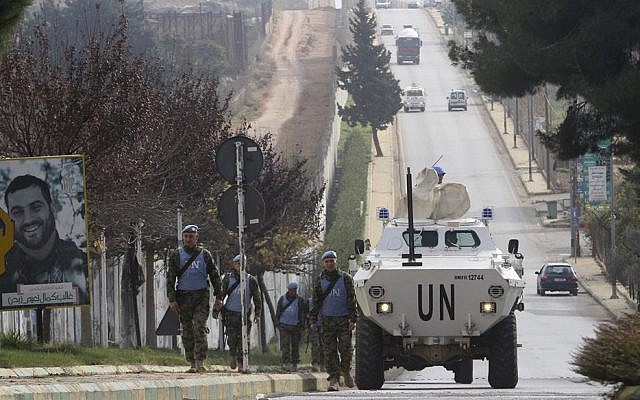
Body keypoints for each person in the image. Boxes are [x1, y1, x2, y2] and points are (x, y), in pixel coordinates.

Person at [0, 174, 88, 305]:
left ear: (52, 209)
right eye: (18, 212)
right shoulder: (3, 273)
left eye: (36, 207)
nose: (28, 219)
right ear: (9, 219)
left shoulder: (83, 265)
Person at [166, 224, 223, 373]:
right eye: (186, 236)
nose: (188, 239)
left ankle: (200, 361)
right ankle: (191, 361)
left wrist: (219, 296)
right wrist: (172, 299)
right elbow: (170, 279)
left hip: (201, 296)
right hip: (183, 296)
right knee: (187, 330)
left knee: (199, 327)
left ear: (196, 237)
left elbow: (215, 276)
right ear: (183, 238)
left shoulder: (205, 255)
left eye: (191, 236)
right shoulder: (176, 255)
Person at [309, 250, 357, 391]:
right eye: (327, 261)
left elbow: (352, 300)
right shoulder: (319, 280)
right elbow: (316, 302)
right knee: (329, 352)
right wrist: (313, 320)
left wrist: (353, 319)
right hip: (327, 321)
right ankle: (334, 380)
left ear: (336, 262)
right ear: (324, 263)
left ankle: (346, 371)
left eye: (332, 261)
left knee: (346, 349)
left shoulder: (346, 279)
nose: (330, 263)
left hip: (343, 321)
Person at [221, 254, 262, 371]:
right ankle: (232, 355)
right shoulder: (228, 279)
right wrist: (217, 308)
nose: (240, 266)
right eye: (238, 263)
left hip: (244, 314)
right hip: (230, 313)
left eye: (242, 263)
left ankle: (242, 363)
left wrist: (257, 314)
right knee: (232, 338)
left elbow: (257, 298)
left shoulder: (251, 280)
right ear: (234, 265)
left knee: (244, 339)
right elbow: (222, 295)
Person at [275, 281, 307, 372]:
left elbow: (302, 314)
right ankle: (286, 363)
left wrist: (302, 325)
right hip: (284, 325)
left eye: (294, 290)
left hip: (295, 326)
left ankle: (294, 363)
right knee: (285, 345)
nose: (293, 292)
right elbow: (278, 312)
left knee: (295, 346)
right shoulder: (282, 299)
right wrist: (278, 324)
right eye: (291, 290)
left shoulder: (300, 301)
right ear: (288, 290)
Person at [307, 296, 324, 372]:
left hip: (325, 324)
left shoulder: (326, 300)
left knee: (324, 345)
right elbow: (308, 314)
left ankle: (323, 364)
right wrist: (311, 323)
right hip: (314, 325)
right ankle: (315, 363)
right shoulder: (310, 301)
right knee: (315, 344)